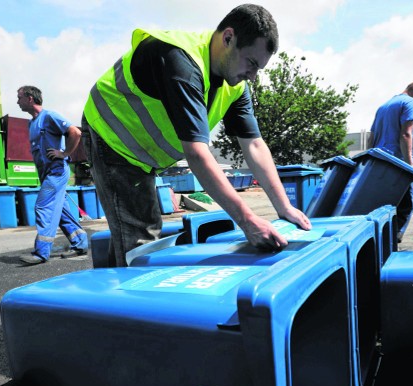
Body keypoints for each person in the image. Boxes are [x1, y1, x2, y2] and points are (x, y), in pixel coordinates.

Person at [82, 4, 311, 267]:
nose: (253, 75)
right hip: (112, 138)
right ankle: (117, 301)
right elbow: (197, 154)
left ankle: (109, 286)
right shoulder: (181, 61)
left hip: (142, 152)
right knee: (141, 245)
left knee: (132, 232)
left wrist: (284, 207)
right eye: (251, 63)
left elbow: (255, 145)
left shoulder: (234, 84)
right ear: (228, 38)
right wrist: (248, 221)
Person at [17, 85, 89, 265]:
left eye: (19, 97)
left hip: (56, 172)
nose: (17, 101)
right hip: (46, 173)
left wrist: (64, 154)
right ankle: (80, 243)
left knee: (44, 207)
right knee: (62, 211)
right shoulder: (31, 122)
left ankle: (41, 252)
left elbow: (75, 132)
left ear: (30, 98)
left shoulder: (49, 116)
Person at [367, 80, 413, 240]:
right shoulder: (411, 102)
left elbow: (371, 136)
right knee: (405, 206)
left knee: (384, 206)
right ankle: (393, 242)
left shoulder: (384, 106)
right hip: (397, 162)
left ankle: (380, 241)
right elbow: (406, 133)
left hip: (380, 162)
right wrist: (410, 166)